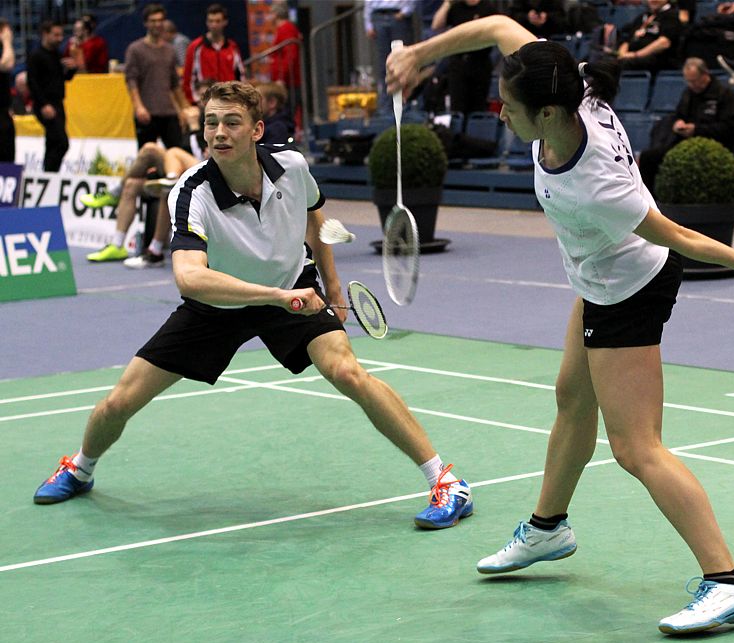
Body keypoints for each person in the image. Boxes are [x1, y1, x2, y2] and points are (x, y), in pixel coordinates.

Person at [387, 15, 734, 634]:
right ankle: (547, 530)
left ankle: (728, 581)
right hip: (595, 276)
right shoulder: (567, 82)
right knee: (570, 398)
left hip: (628, 289)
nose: (500, 114)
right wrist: (420, 55)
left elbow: (679, 236)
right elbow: (498, 25)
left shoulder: (598, 184)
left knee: (635, 447)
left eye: (508, 107)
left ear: (546, 116)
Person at [34, 81, 473, 533]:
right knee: (121, 399)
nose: (218, 132)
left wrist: (335, 290)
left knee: (348, 372)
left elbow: (314, 217)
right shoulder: (192, 192)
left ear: (257, 130)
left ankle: (445, 481)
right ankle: (80, 468)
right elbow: (189, 277)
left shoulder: (291, 165)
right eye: (210, 123)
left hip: (291, 283)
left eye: (231, 122)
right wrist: (276, 298)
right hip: (219, 304)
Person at [638, 58, 734, 191]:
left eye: (694, 81)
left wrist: (696, 130)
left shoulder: (724, 95)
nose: (691, 85)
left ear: (705, 75)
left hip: (712, 146)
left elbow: (729, 128)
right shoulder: (688, 93)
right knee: (648, 157)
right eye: (688, 81)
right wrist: (677, 123)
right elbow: (678, 114)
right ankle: (649, 203)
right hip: (683, 143)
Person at [125, 3, 188, 150]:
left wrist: (184, 108)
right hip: (147, 113)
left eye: (160, 20)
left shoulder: (170, 50)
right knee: (147, 155)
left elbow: (174, 84)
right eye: (153, 21)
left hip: (169, 112)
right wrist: (139, 107)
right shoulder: (135, 49)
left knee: (178, 151)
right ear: (146, 23)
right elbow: (131, 80)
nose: (157, 24)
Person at [432, 0, 499, 114]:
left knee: (478, 107)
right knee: (457, 107)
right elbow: (436, 25)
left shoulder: (488, 8)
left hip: (480, 62)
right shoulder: (456, 8)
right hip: (458, 62)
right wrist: (447, 3)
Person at [27, 20, 76, 172]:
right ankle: (50, 172)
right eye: (55, 35)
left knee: (52, 142)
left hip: (58, 102)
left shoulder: (56, 55)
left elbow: (64, 78)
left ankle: (48, 175)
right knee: (62, 142)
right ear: (45, 34)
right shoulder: (36, 56)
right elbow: (32, 82)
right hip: (46, 104)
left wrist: (71, 69)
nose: (60, 38)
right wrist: (43, 105)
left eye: (61, 35)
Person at [182, 3, 246, 105]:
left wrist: (239, 99)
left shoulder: (232, 47)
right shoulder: (195, 47)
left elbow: (240, 77)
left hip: (229, 102)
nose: (214, 25)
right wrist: (195, 101)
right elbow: (188, 78)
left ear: (225, 22)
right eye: (210, 21)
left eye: (217, 21)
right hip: (205, 103)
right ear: (206, 22)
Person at [364, 0, 416, 114]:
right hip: (378, 15)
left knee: (403, 61)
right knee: (383, 64)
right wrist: (368, 23)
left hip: (398, 15)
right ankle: (385, 107)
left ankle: (405, 104)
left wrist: (405, 12)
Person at [616, 0, 686, 73]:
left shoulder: (672, 15)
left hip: (658, 59)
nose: (653, 0)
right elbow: (627, 41)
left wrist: (635, 55)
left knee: (623, 64)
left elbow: (664, 43)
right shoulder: (642, 17)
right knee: (607, 62)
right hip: (633, 58)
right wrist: (622, 54)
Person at [270, 1, 303, 130]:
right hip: (285, 81)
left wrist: (281, 78)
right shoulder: (283, 29)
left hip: (288, 82)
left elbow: (290, 55)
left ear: (276, 14)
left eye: (271, 13)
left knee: (287, 113)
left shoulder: (287, 29)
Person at [0, 18, 15, 162]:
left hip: (4, 111)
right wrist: (6, 42)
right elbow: (7, 64)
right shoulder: (5, 48)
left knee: (7, 160)